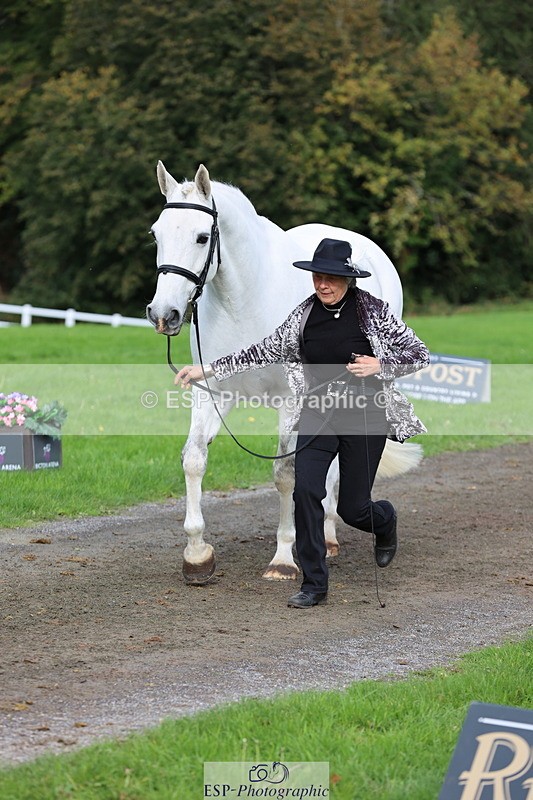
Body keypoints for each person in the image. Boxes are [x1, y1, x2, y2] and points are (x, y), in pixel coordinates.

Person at [176, 238, 430, 608]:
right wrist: (208, 369)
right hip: (317, 415)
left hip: (365, 416)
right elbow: (262, 350)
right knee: (306, 491)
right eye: (317, 277)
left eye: (331, 278)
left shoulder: (372, 312)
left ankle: (385, 521)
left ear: (348, 279)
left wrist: (380, 365)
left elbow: (420, 354)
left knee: (353, 508)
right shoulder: (304, 314)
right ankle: (314, 582)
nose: (322, 284)